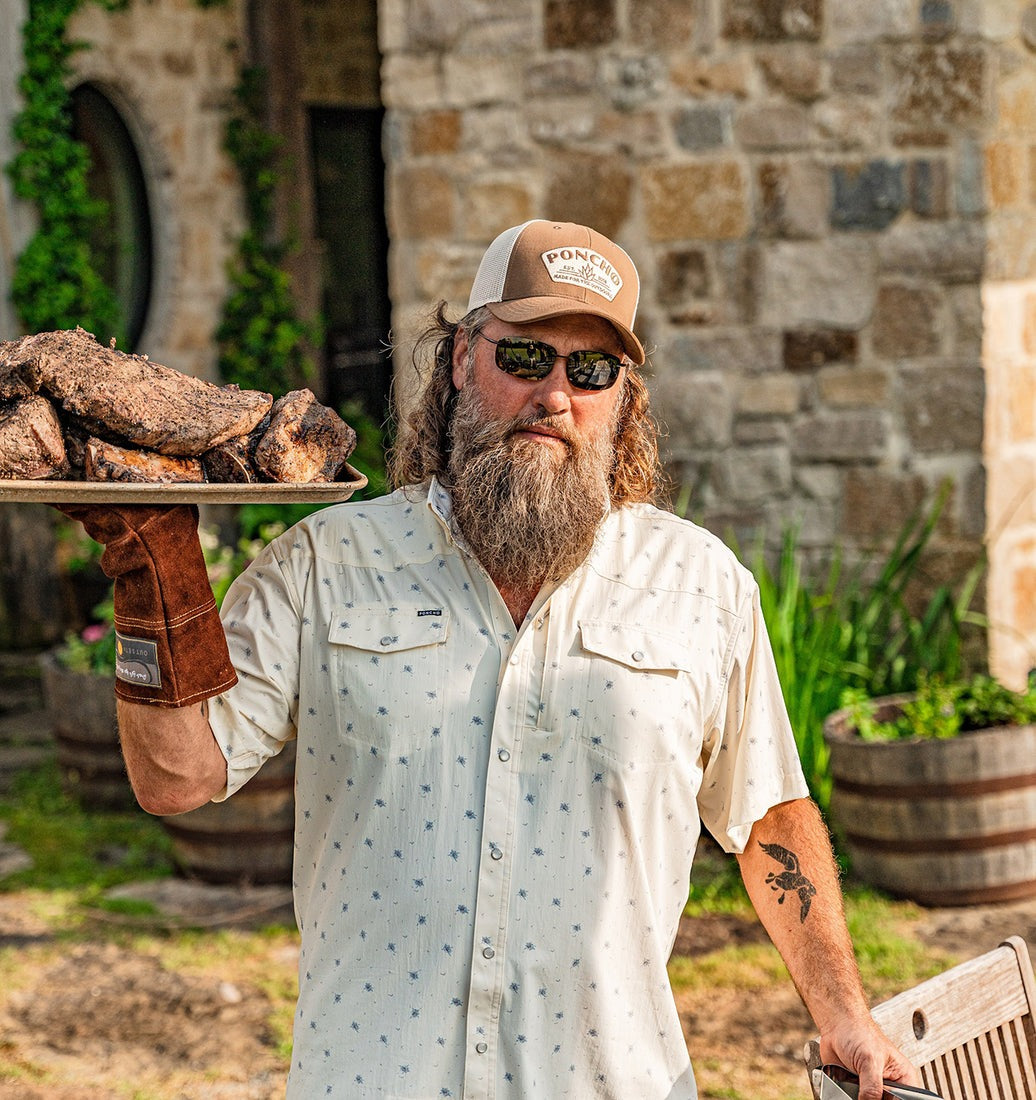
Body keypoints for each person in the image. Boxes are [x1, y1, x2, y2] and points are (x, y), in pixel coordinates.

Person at [65, 220, 917, 1099]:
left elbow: (769, 817)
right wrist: (150, 569)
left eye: (591, 371)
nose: (555, 395)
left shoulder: (702, 590)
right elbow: (176, 777)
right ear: (462, 359)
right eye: (525, 358)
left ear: (624, 400)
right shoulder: (326, 566)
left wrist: (844, 1015)